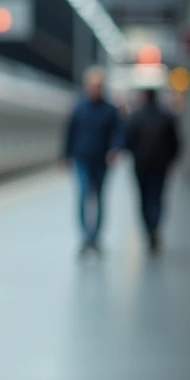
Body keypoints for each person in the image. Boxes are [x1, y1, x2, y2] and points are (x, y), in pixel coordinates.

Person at [62, 66, 125, 256]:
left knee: (99, 198)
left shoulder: (110, 110)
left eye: (98, 86)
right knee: (83, 196)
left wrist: (115, 149)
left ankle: (95, 237)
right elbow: (70, 132)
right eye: (92, 85)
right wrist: (65, 155)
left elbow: (118, 133)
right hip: (81, 159)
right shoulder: (79, 108)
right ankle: (85, 237)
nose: (94, 89)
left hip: (101, 161)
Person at [124, 87, 180, 253]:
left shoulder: (135, 117)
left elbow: (128, 142)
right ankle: (155, 227)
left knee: (143, 197)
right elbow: (175, 143)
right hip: (161, 165)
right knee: (157, 197)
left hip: (141, 165)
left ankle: (148, 228)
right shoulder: (167, 116)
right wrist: (170, 161)